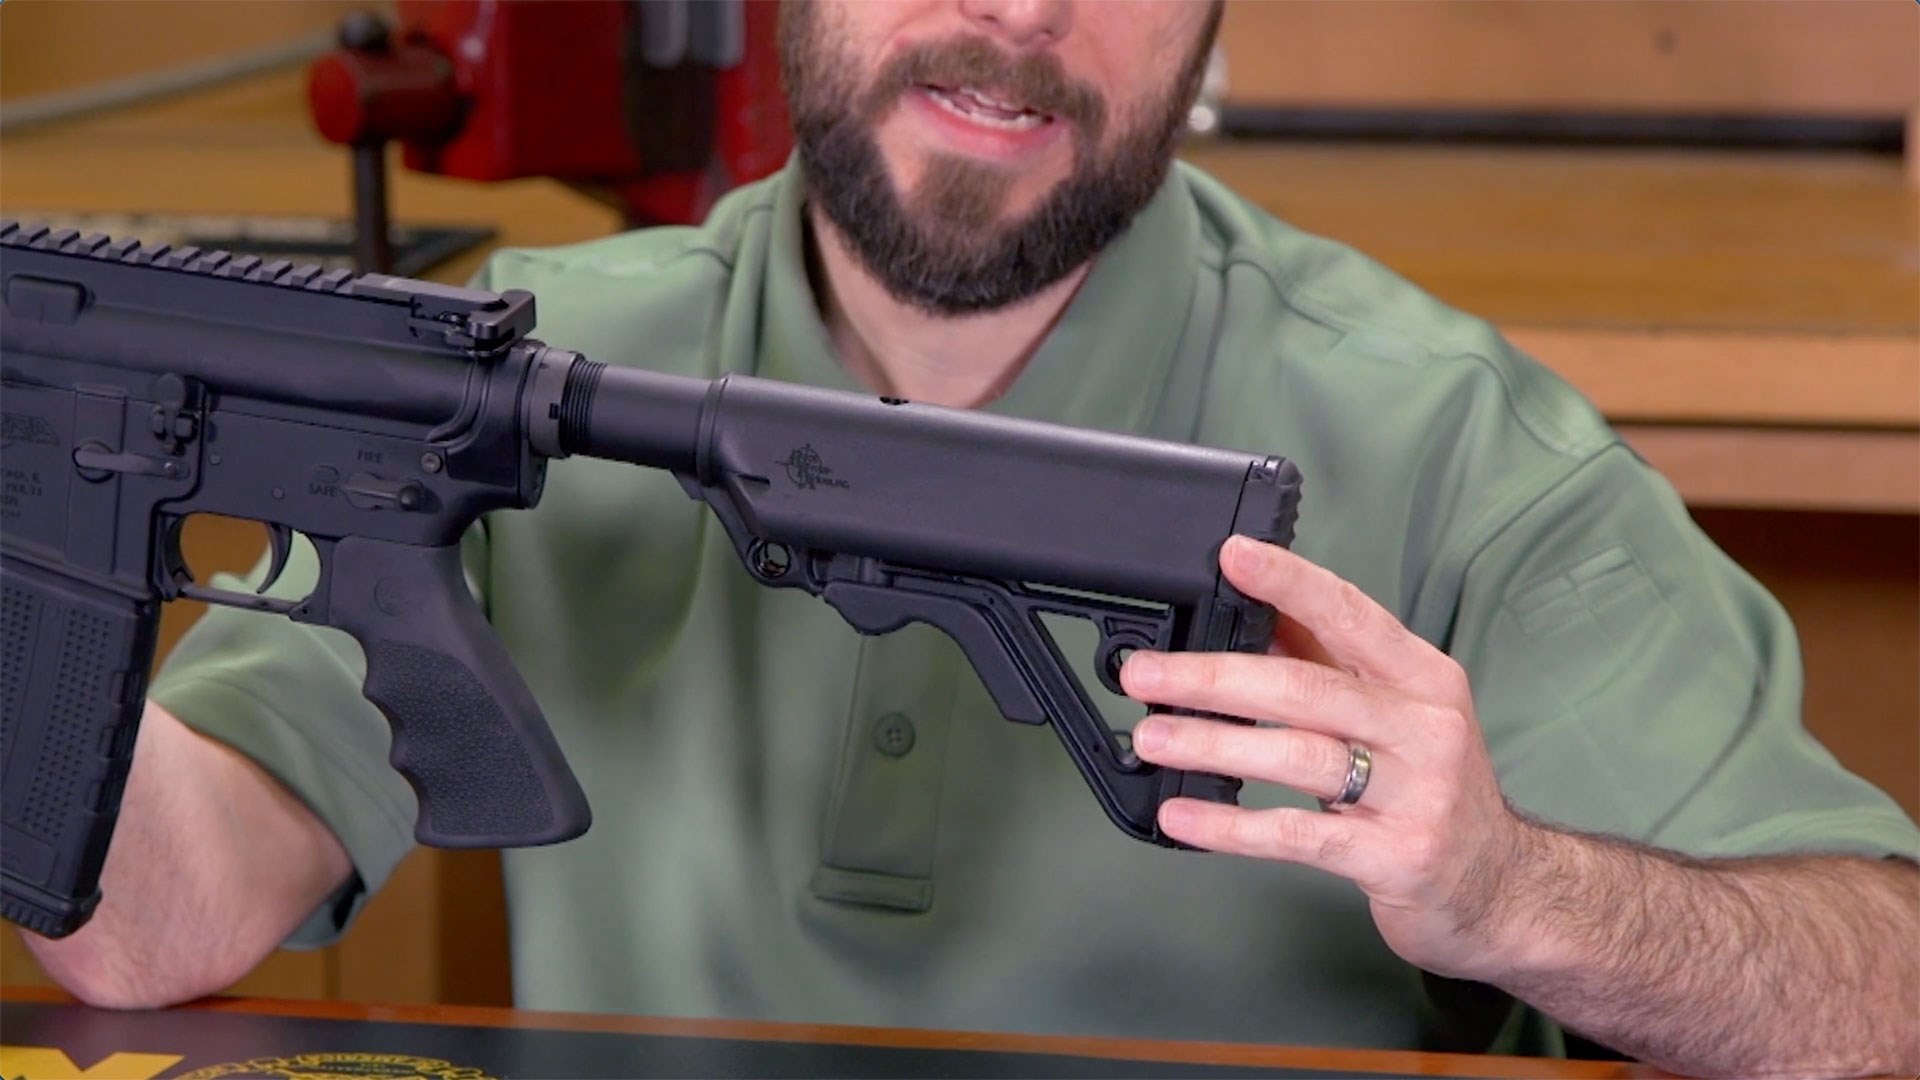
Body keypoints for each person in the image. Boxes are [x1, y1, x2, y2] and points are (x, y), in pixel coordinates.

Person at [25, 1, 1918, 1074]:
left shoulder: (1453, 452)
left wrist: (1519, 893)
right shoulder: (527, 347)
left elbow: (1885, 983)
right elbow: (151, 930)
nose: (1015, 13)